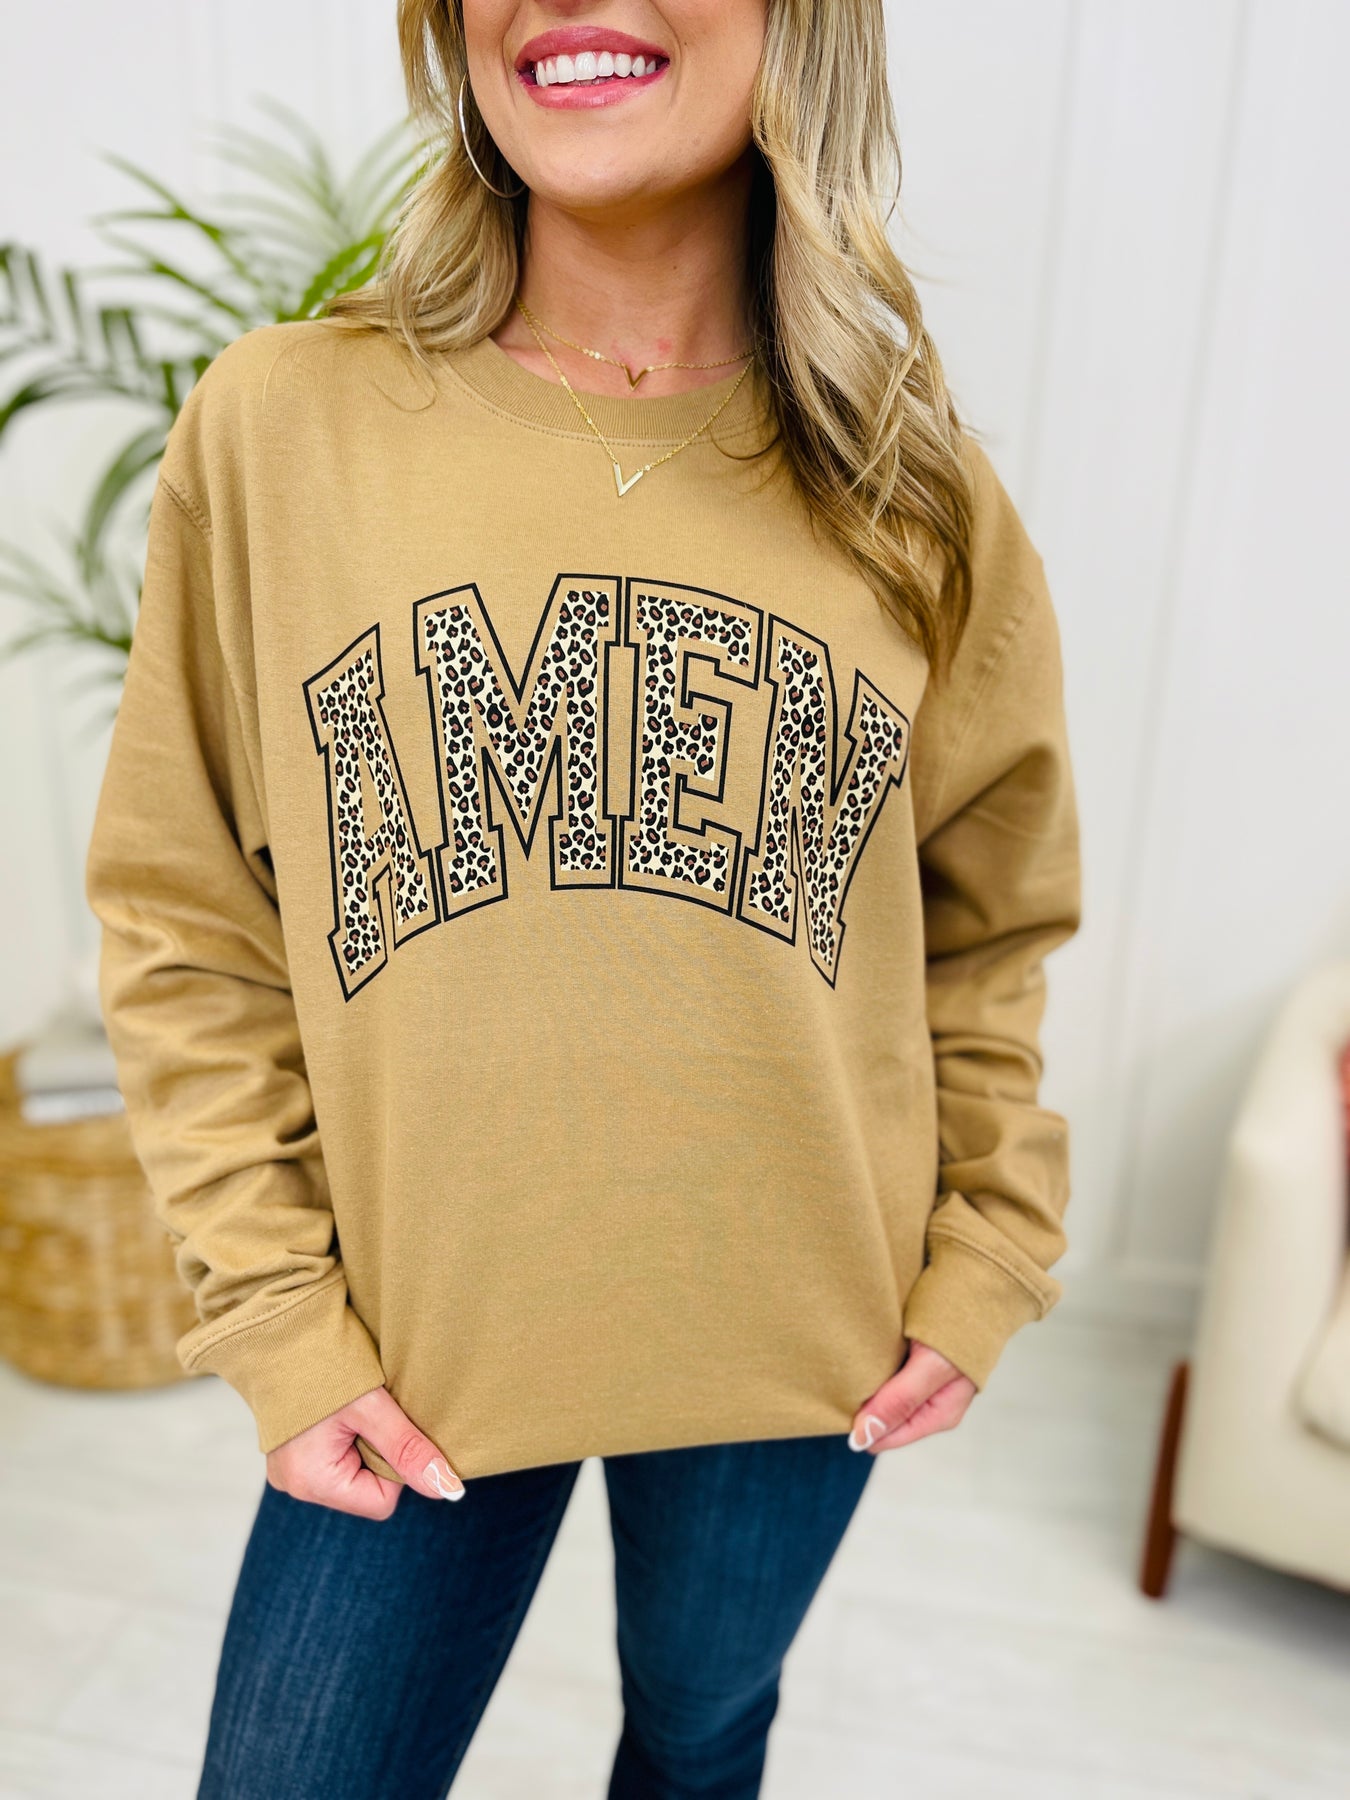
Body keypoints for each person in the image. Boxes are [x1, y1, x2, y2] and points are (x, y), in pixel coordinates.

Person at [84, 2, 1082, 1795]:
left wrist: (987, 1245)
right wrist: (276, 1312)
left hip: (807, 1333)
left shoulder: (914, 496)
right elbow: (186, 916)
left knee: (697, 1743)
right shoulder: (284, 428)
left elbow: (987, 927)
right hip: (412, 1339)